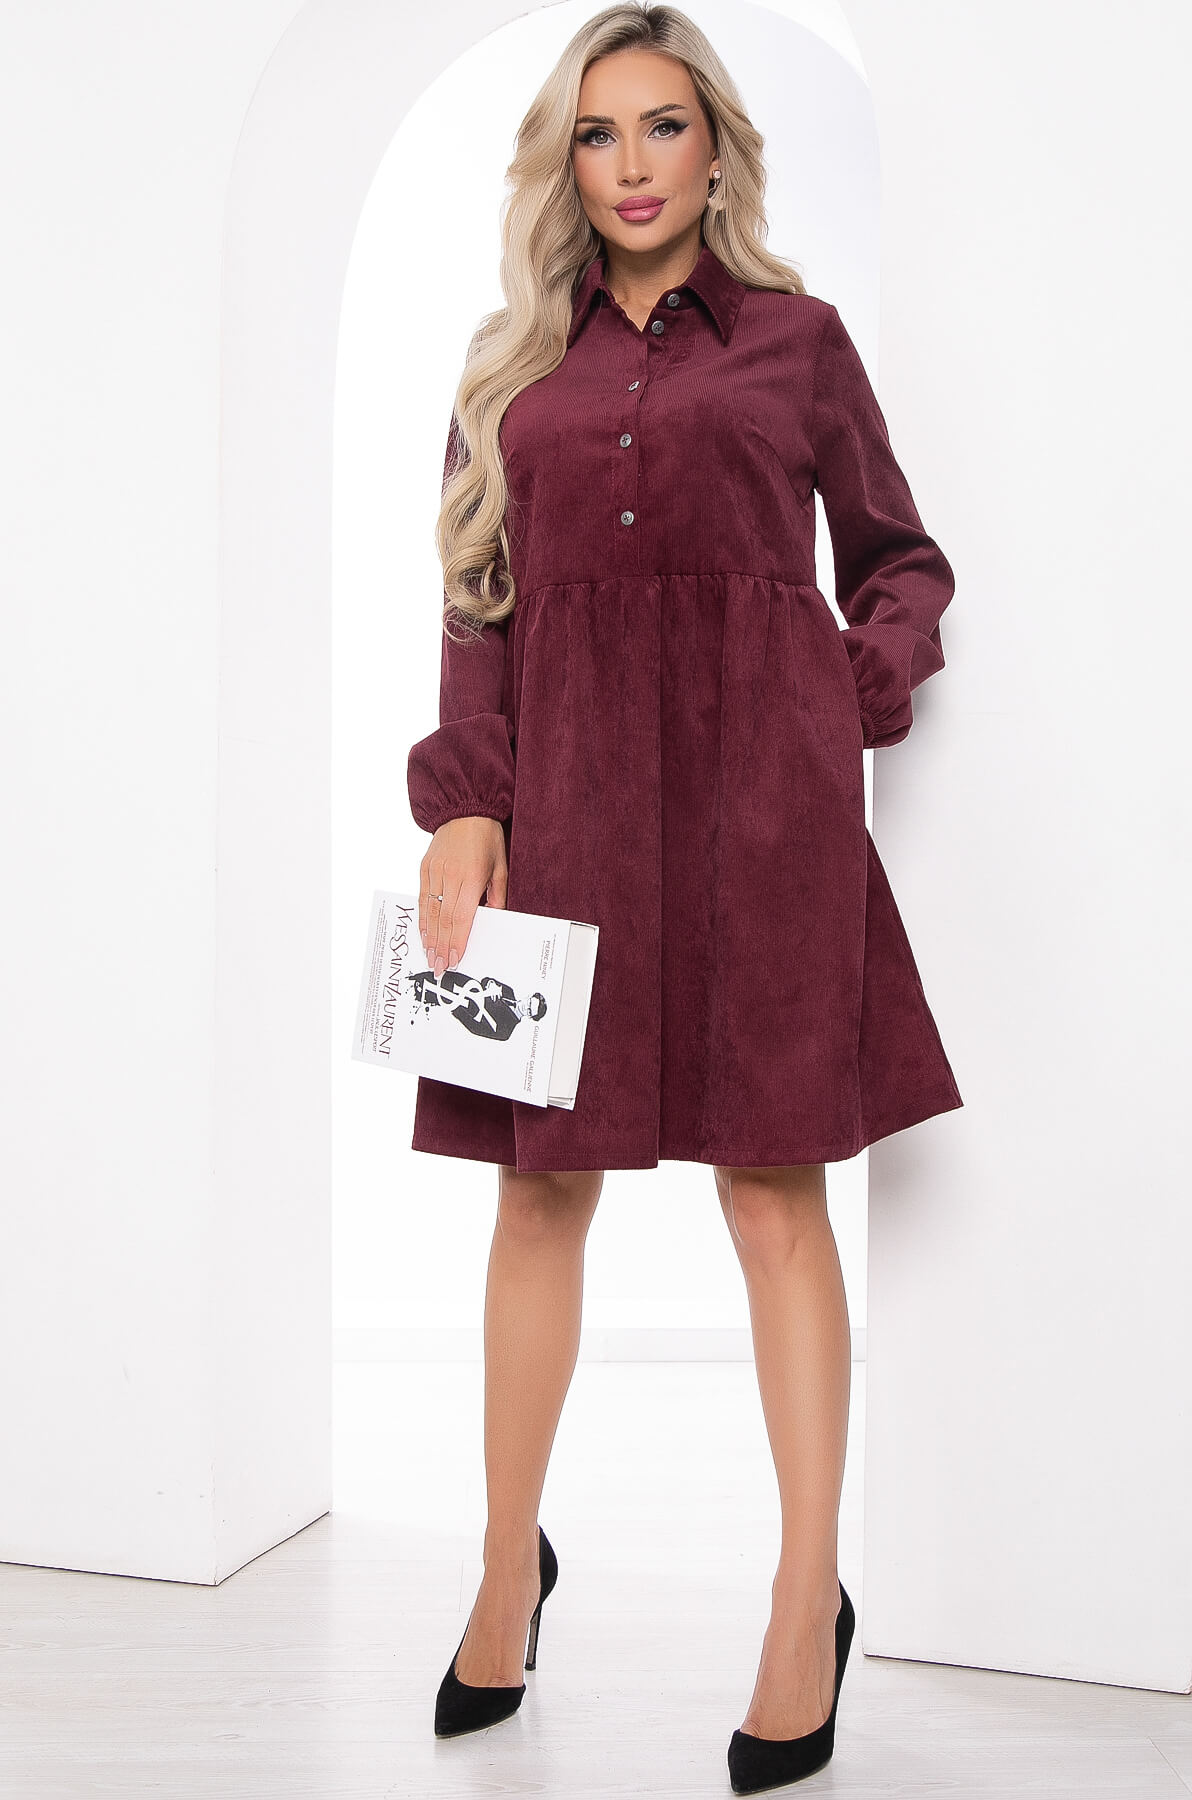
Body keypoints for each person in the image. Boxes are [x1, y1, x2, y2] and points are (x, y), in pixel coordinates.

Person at [409, 4, 961, 1789]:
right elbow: (478, 613)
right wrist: (464, 809)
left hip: (760, 817)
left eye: (662, 126)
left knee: (774, 1194)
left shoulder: (800, 343)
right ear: (562, 164)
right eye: (597, 133)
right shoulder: (508, 373)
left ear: (716, 149)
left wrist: (840, 693)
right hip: (566, 814)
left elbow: (901, 562)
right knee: (538, 1198)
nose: (631, 164)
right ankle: (508, 1567)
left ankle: (804, 1603)